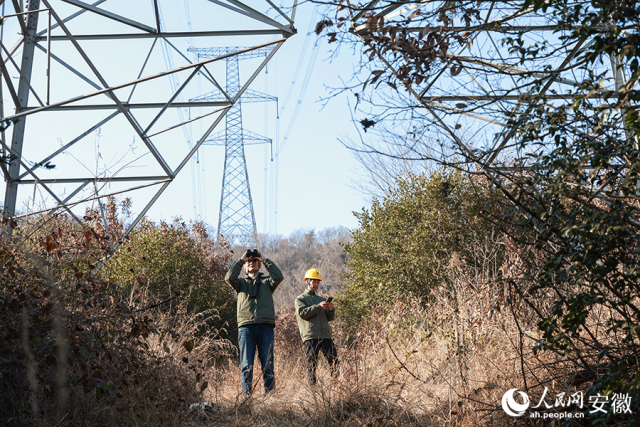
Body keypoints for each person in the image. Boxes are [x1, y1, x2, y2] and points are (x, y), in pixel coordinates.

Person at [225, 248, 284, 396]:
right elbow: (229, 278)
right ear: (245, 266)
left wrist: (264, 258)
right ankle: (247, 398)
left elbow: (278, 276)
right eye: (249, 261)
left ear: (259, 264)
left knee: (268, 365)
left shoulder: (267, 282)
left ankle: (270, 396)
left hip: (265, 326)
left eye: (254, 261)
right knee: (246, 365)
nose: (252, 263)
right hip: (246, 327)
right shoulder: (240, 283)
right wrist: (241, 259)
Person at [294, 268, 338, 385]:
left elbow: (329, 318)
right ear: (307, 281)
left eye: (318, 282)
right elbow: (303, 313)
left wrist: (331, 310)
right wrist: (318, 307)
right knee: (312, 363)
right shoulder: (300, 299)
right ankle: (312, 390)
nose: (316, 284)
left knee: (334, 361)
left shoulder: (321, 299)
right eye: (314, 281)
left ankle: (337, 386)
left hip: (325, 335)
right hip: (311, 336)